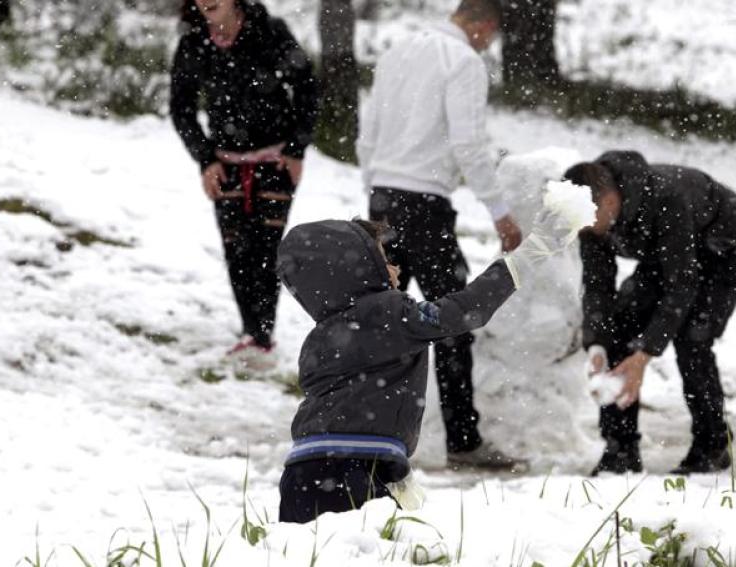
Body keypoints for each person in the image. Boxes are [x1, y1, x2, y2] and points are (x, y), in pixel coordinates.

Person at [275, 216, 573, 522]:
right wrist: (530, 254)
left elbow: (351, 409)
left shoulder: (319, 336)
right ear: (356, 270)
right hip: (353, 471)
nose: (396, 267)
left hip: (301, 472)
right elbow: (463, 309)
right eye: (384, 258)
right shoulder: (388, 314)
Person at [356, 0, 526, 470]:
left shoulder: (398, 51)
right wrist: (500, 211)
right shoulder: (464, 62)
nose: (488, 44)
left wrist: (375, 187)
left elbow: (368, 129)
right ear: (483, 26)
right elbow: (468, 143)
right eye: (491, 36)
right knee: (453, 319)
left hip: (384, 199)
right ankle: (463, 440)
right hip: (426, 205)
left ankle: (358, 427)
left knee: (376, 320)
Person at [564, 151, 736, 475]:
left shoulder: (666, 198)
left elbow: (681, 286)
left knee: (693, 340)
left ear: (609, 201)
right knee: (617, 327)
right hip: (668, 256)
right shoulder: (588, 219)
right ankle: (620, 450)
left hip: (722, 249)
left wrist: (645, 354)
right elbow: (597, 286)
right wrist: (596, 343)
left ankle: (713, 445)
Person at [170, 0, 318, 371]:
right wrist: (205, 159)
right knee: (236, 248)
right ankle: (252, 333)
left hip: (275, 161)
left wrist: (297, 148)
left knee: (266, 249)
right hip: (225, 164)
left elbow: (307, 88)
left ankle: (261, 335)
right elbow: (181, 107)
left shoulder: (270, 31)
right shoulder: (193, 43)